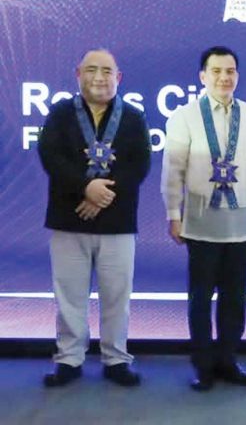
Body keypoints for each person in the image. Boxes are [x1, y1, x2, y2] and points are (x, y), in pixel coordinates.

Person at [38, 49, 151, 387]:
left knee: (117, 295)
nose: (99, 77)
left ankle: (116, 359)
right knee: (69, 295)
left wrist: (101, 197)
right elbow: (50, 157)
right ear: (78, 74)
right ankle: (69, 359)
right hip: (68, 217)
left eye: (106, 71)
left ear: (119, 77)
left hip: (117, 222)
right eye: (91, 70)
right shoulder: (60, 113)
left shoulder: (133, 117)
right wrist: (86, 188)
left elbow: (139, 164)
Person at [162, 46, 246, 391]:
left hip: (241, 222)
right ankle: (203, 365)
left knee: (235, 297)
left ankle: (228, 360)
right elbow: (173, 170)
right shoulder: (185, 116)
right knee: (201, 296)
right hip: (200, 220)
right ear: (203, 76)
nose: (225, 77)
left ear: (237, 75)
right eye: (217, 71)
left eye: (231, 71)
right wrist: (172, 214)